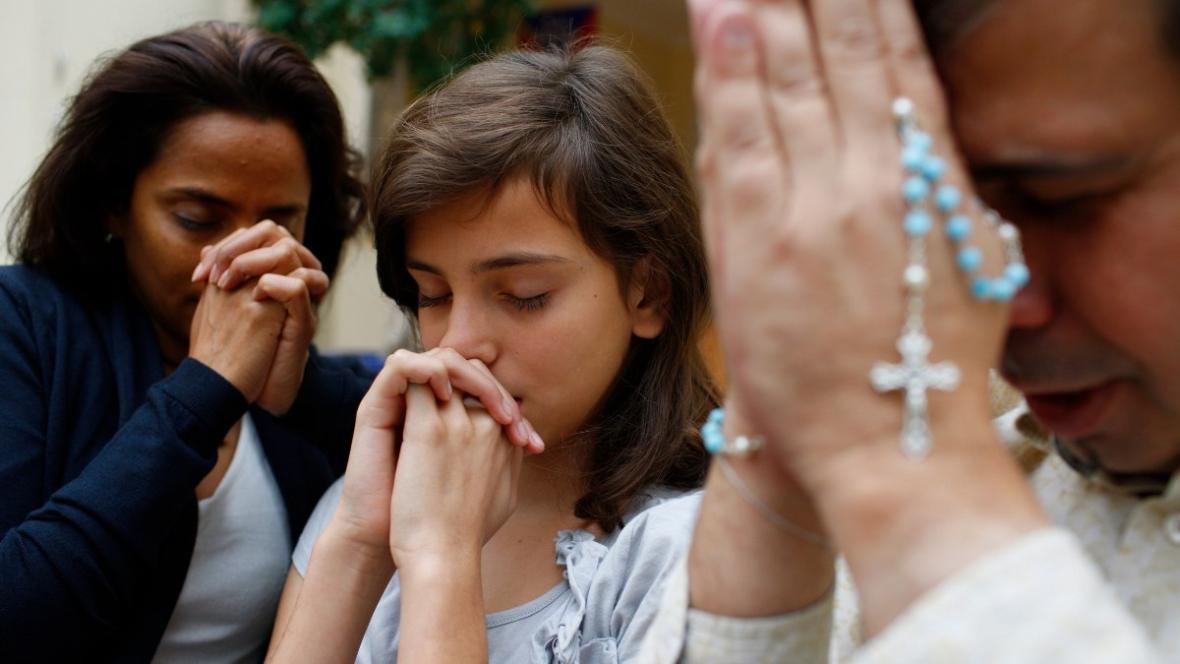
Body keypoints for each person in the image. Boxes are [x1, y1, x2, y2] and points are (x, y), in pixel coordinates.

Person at [637, 0, 1180, 661]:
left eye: (1059, 203)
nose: (979, 300)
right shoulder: (986, 478)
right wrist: (779, 456)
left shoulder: (923, 491)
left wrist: (907, 489)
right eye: (918, 222)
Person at [263, 44, 720, 663]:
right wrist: (357, 541)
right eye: (433, 294)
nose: (459, 344)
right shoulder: (364, 508)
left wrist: (442, 559)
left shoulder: (696, 550)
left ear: (649, 293)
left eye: (524, 296)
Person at [1, 21, 420, 662]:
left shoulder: (295, 388)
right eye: (198, 219)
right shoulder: (23, 323)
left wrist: (301, 392)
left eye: (282, 223)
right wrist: (204, 389)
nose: (245, 256)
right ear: (114, 203)